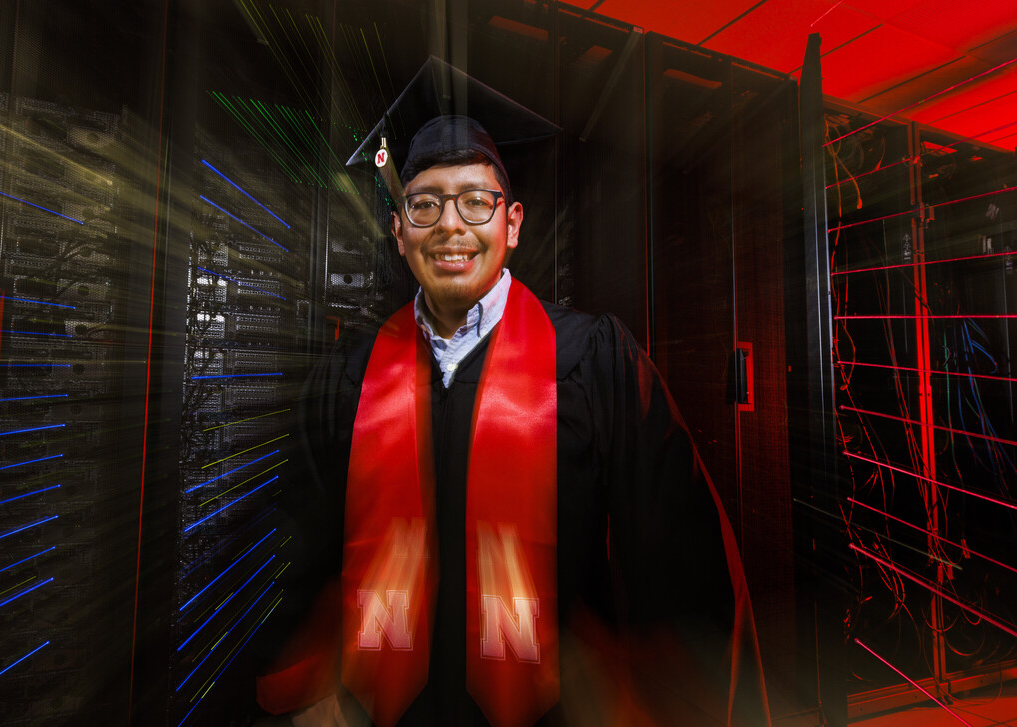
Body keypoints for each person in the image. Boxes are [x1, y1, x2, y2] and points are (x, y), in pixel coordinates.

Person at [254, 59, 770, 727]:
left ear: (514, 223)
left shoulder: (592, 359)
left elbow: (682, 556)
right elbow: (300, 554)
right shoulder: (347, 378)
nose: (450, 224)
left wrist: (653, 695)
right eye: (425, 202)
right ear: (399, 231)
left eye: (475, 199)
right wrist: (310, 687)